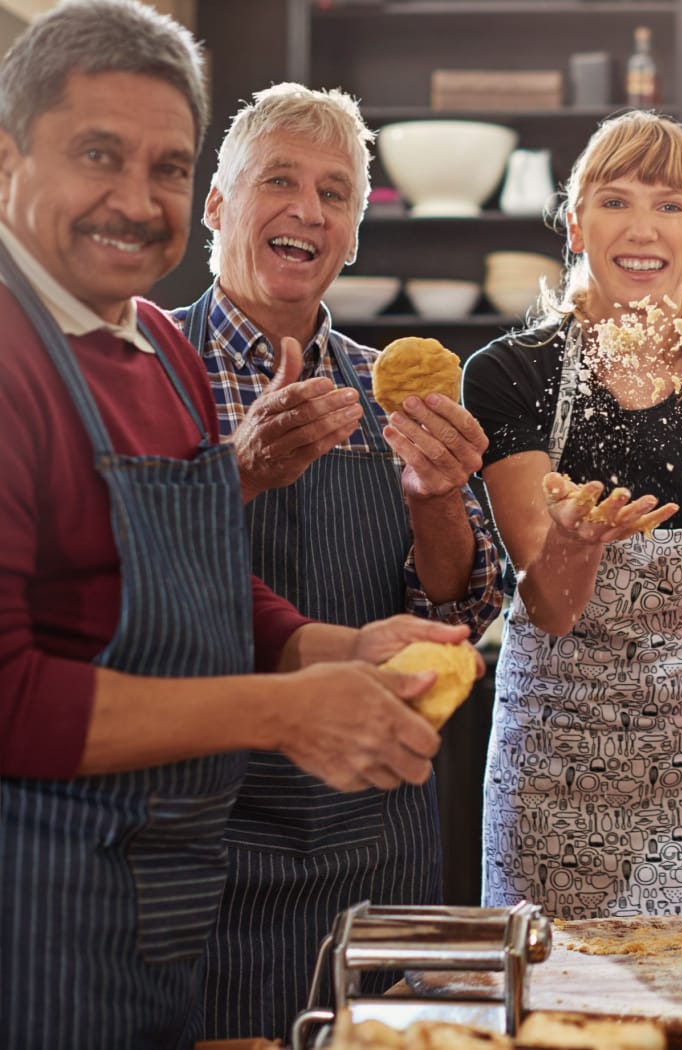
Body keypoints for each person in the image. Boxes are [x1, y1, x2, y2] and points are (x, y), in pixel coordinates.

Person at [0, 3, 463, 1047]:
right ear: (6, 160)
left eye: (164, 166)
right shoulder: (11, 357)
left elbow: (194, 574)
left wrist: (334, 647)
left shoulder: (151, 346)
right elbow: (10, 694)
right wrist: (282, 712)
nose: (135, 199)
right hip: (42, 904)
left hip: (156, 894)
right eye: (97, 155)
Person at [167, 84, 505, 1041]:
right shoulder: (141, 371)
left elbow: (460, 608)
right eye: (279, 180)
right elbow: (114, 576)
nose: (308, 210)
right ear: (217, 205)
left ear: (354, 233)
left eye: (336, 193)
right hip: (206, 838)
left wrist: (434, 502)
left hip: (374, 838)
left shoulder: (392, 389)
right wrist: (239, 470)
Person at [462, 110, 682, 918]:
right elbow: (549, 605)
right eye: (615, 201)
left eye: (670, 205)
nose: (642, 228)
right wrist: (572, 545)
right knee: (551, 1013)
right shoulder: (510, 375)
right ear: (575, 223)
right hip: (550, 765)